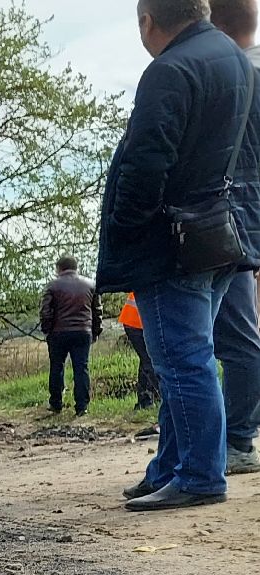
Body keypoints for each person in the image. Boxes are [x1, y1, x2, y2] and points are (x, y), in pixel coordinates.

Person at [99, 0, 257, 511]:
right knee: (184, 360)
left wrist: (126, 230)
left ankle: (199, 476)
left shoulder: (169, 69)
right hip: (217, 233)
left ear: (148, 21)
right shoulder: (233, 59)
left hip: (172, 242)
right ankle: (169, 467)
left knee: (182, 362)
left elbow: (147, 161)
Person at [210, 0, 260, 473]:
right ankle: (237, 437)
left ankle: (239, 440)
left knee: (230, 334)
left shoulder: (229, 76)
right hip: (247, 221)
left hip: (224, 222)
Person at [40, 255, 104, 416]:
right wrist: (96, 331)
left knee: (57, 367)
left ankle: (56, 404)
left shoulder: (52, 286)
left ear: (59, 268)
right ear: (76, 267)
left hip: (58, 332)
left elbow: (45, 311)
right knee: (81, 368)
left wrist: (47, 330)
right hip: (83, 332)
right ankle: (82, 407)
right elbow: (97, 311)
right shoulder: (90, 285)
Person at [121, 294, 163, 409]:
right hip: (136, 323)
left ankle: (145, 399)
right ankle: (152, 398)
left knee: (146, 360)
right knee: (149, 361)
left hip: (132, 321)